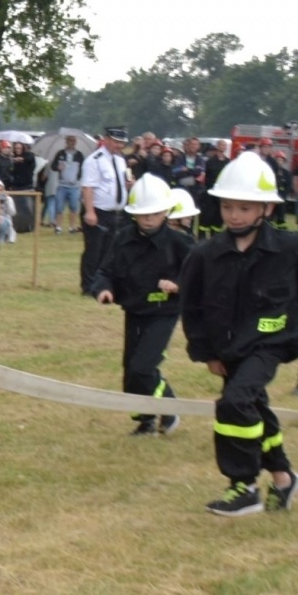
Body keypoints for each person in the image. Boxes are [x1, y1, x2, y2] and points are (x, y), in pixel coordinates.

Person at [179, 151, 298, 516]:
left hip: (269, 344)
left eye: (245, 208)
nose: (235, 215)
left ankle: (243, 486)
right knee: (253, 404)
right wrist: (206, 352)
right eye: (229, 207)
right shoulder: (204, 254)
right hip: (226, 348)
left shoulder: (290, 249)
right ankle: (283, 477)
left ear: (266, 210)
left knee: (234, 404)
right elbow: (192, 306)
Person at [91, 173, 192, 437]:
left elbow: (199, 274)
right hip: (134, 311)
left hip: (164, 312)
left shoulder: (180, 242)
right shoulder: (123, 239)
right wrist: (103, 290)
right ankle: (145, 419)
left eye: (155, 213)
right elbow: (106, 271)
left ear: (166, 211)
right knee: (131, 370)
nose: (148, 219)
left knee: (144, 366)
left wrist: (177, 284)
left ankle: (170, 407)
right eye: (142, 213)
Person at [80, 127, 131, 295]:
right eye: (116, 142)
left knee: (109, 251)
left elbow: (120, 182)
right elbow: (88, 187)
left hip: (114, 212)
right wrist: (90, 211)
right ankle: (88, 287)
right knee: (94, 250)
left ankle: (101, 283)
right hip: (98, 210)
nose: (119, 146)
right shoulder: (95, 159)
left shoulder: (120, 160)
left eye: (122, 143)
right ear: (107, 139)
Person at [47, 134, 84, 234]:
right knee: (59, 207)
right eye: (69, 141)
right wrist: (58, 167)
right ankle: (58, 226)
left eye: (73, 141)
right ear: (66, 142)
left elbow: (83, 168)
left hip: (74, 186)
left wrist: (78, 177)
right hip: (62, 185)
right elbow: (53, 166)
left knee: (73, 207)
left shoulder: (79, 155)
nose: (71, 143)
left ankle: (72, 227)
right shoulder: (60, 154)